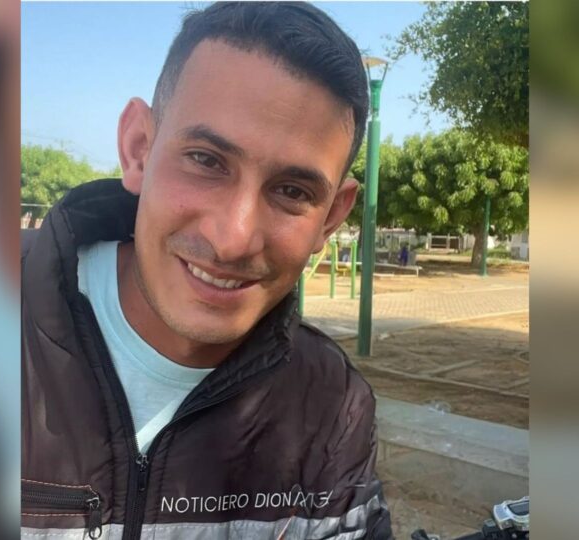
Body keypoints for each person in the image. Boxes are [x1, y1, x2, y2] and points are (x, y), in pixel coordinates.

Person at [21, 3, 393, 538]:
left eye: (292, 191)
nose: (233, 238)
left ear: (331, 217)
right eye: (206, 160)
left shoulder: (331, 409)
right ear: (138, 149)